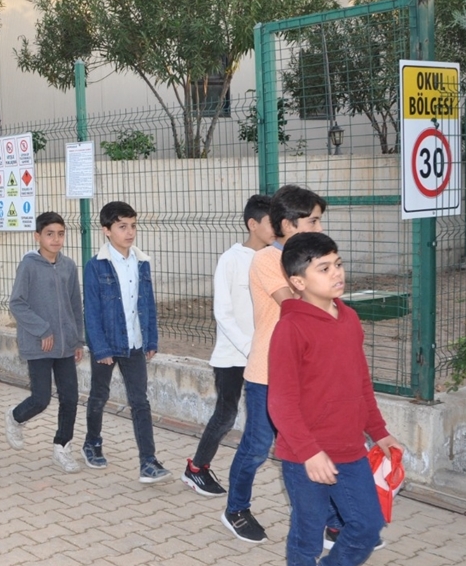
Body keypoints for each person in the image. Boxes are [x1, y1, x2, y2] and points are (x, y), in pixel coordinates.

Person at [269, 232, 400, 566]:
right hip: (304, 456)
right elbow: (281, 402)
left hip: (349, 451)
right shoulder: (290, 329)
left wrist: (378, 432)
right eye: (324, 268)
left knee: (367, 526)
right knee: (307, 534)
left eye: (338, 264)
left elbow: (360, 382)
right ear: (298, 281)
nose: (337, 273)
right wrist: (309, 453)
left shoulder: (350, 319)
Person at [222, 184, 327, 543]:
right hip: (268, 372)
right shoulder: (267, 259)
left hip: (306, 372)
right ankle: (235, 508)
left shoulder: (313, 259)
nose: (319, 228)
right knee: (256, 446)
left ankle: (326, 518)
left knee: (309, 445)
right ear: (288, 224)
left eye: (319, 221)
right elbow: (294, 306)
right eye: (312, 222)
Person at [181, 195, 275, 497]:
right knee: (226, 414)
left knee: (271, 417)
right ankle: (196, 469)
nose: (278, 227)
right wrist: (251, 347)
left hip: (266, 357)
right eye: (271, 222)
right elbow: (222, 312)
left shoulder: (277, 259)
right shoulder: (231, 259)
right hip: (234, 356)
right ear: (253, 224)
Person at [81, 200, 168, 483]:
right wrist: (100, 348)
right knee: (99, 395)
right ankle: (92, 442)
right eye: (122, 227)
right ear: (106, 230)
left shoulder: (142, 262)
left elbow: (147, 304)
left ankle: (148, 462)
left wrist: (151, 339)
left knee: (140, 401)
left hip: (134, 343)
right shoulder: (96, 266)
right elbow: (91, 311)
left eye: (132, 226)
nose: (129, 232)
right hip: (107, 343)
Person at [5, 211, 85, 472]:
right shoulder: (29, 265)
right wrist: (42, 330)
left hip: (65, 346)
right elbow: (17, 303)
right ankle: (15, 417)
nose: (56, 239)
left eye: (60, 234)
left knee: (70, 398)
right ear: (37, 236)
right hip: (39, 345)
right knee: (41, 399)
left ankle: (62, 447)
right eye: (50, 234)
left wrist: (77, 340)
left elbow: (75, 305)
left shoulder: (68, 266)